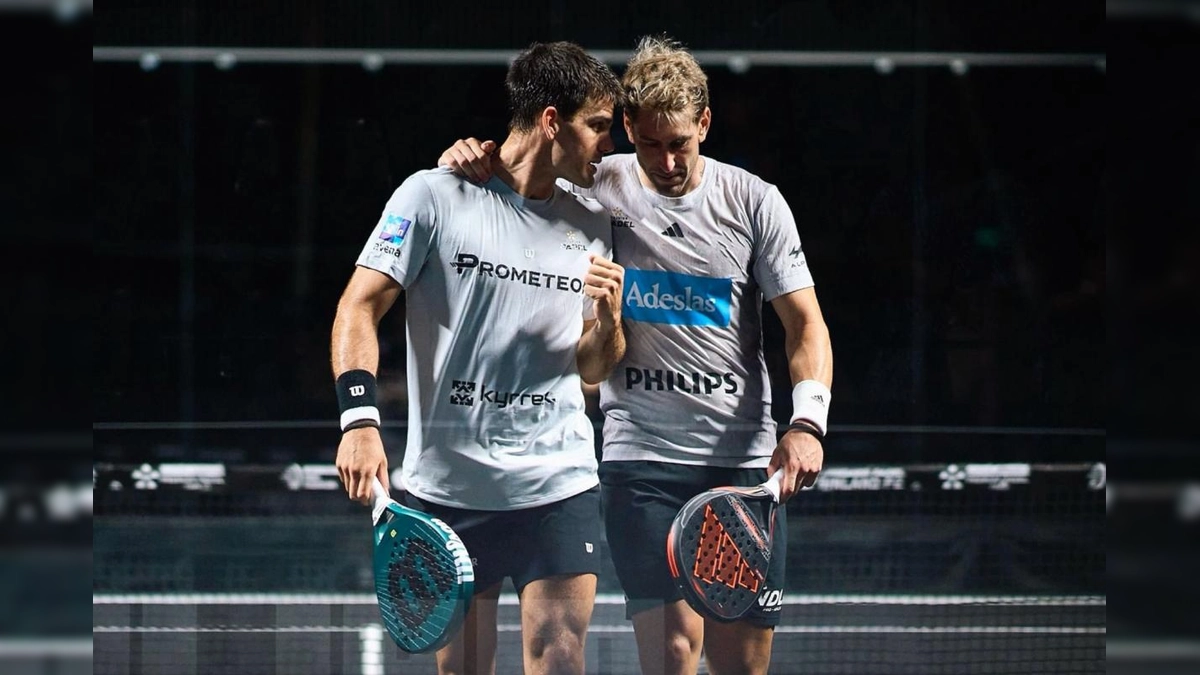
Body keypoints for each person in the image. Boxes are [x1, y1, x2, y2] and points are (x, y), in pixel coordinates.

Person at [437, 35, 833, 675]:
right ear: (626, 129)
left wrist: (808, 423)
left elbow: (805, 323)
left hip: (740, 467)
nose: (667, 160)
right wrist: (471, 154)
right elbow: (523, 163)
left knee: (741, 666)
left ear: (704, 123)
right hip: (640, 464)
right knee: (675, 652)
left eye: (679, 142)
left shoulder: (756, 202)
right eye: (649, 143)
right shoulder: (602, 181)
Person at [331, 41, 627, 675]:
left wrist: (606, 328)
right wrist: (358, 422)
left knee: (562, 655)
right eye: (598, 126)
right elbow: (358, 307)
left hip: (557, 479)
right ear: (552, 120)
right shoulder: (432, 196)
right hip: (449, 486)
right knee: (463, 665)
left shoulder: (594, 220)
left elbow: (593, 368)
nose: (609, 145)